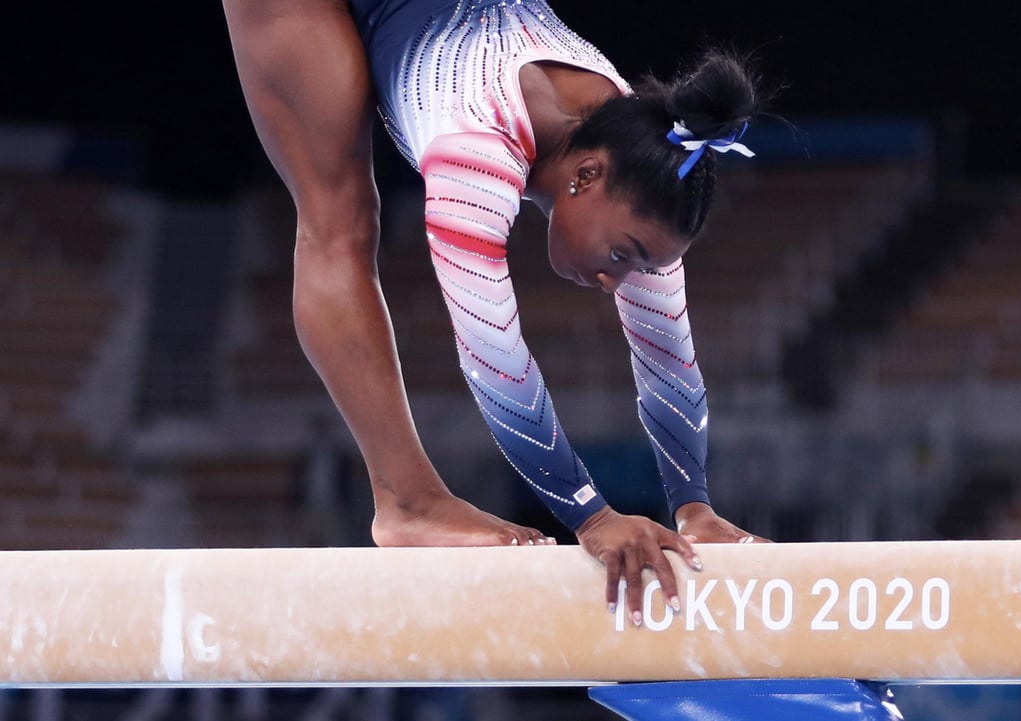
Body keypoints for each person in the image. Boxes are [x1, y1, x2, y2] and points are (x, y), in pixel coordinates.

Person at [222, 0, 767, 625]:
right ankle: (406, 502)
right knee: (339, 222)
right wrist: (591, 514)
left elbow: (669, 359)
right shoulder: (476, 143)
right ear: (585, 175)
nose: (614, 278)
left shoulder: (649, 143)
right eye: (622, 255)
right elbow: (497, 361)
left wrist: (694, 506)